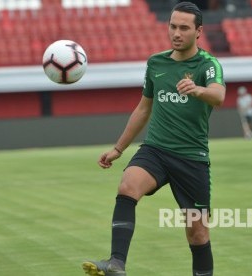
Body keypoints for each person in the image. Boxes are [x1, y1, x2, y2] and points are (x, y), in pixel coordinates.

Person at [82, 2, 225, 276]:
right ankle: (116, 263)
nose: (177, 33)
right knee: (127, 186)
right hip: (156, 150)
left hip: (191, 159)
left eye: (184, 27)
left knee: (197, 233)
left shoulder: (207, 65)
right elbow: (144, 108)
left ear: (199, 32)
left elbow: (218, 96)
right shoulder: (156, 63)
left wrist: (197, 90)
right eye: (173, 26)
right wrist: (118, 148)